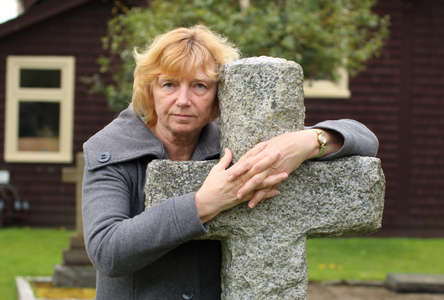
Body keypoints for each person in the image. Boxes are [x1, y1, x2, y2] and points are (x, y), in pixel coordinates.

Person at [82, 25, 378, 300]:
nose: (183, 100)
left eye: (199, 86)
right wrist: (203, 204)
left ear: (218, 95)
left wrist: (308, 141)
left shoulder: (236, 144)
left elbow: (365, 139)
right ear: (149, 89)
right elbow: (107, 251)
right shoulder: (114, 149)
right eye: (169, 84)